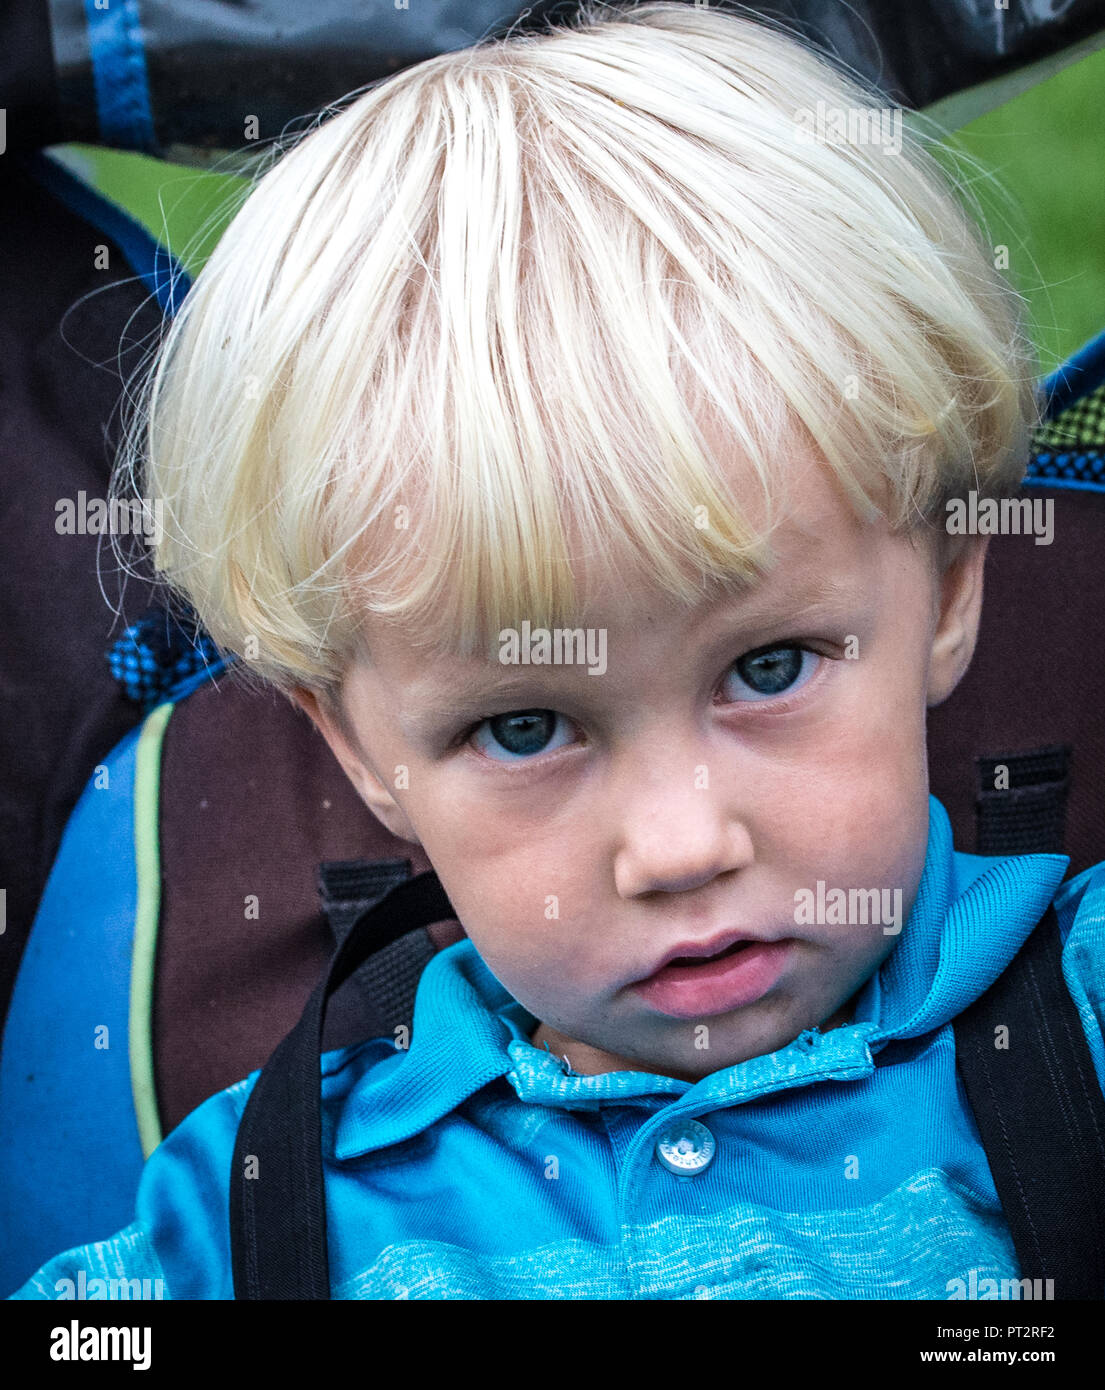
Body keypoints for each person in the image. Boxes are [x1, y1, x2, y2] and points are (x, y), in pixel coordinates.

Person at [11, 0, 1103, 1300]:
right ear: (356, 743)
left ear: (948, 584)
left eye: (769, 668)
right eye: (523, 727)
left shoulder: (1080, 1022)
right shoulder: (246, 1217)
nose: (680, 846)